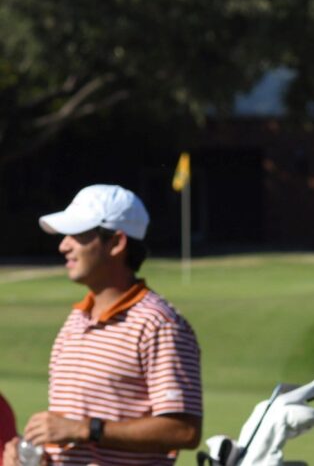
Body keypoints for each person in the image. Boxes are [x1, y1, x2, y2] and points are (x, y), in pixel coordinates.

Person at [2, 184, 202, 466]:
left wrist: (86, 429)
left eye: (78, 235)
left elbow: (184, 430)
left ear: (117, 243)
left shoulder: (159, 325)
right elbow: (71, 436)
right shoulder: (76, 321)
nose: (63, 245)